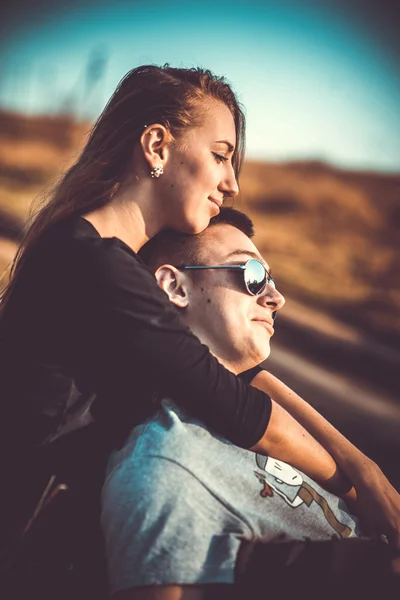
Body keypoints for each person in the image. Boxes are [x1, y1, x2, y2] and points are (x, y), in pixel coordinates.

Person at [0, 65, 398, 595]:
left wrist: (363, 465)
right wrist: (355, 488)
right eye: (220, 155)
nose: (232, 183)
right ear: (157, 146)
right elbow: (235, 402)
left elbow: (238, 377)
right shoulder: (90, 263)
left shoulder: (111, 257)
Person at [101, 207, 399, 599]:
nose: (277, 298)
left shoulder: (267, 403)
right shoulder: (162, 469)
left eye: (271, 280)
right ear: (175, 288)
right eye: (252, 276)